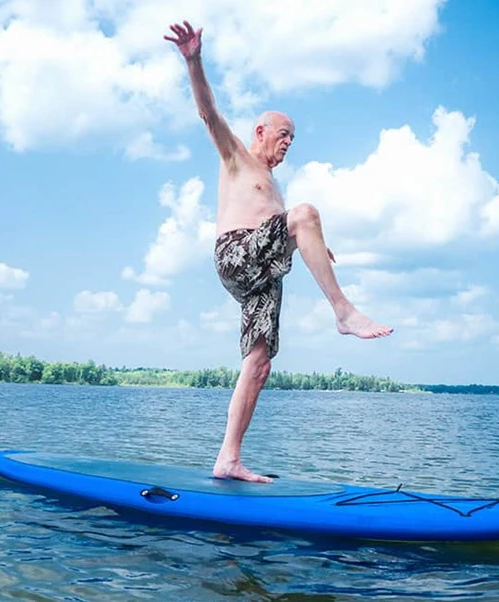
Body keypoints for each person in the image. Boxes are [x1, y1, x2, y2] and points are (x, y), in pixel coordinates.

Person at [165, 21, 394, 483]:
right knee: (306, 211)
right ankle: (344, 312)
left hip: (263, 272)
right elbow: (209, 113)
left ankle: (228, 458)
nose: (288, 143)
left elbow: (287, 226)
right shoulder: (236, 157)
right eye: (283, 134)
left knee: (260, 362)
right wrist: (193, 59)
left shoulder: (273, 186)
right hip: (235, 254)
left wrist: (313, 243)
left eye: (293, 138)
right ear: (260, 131)